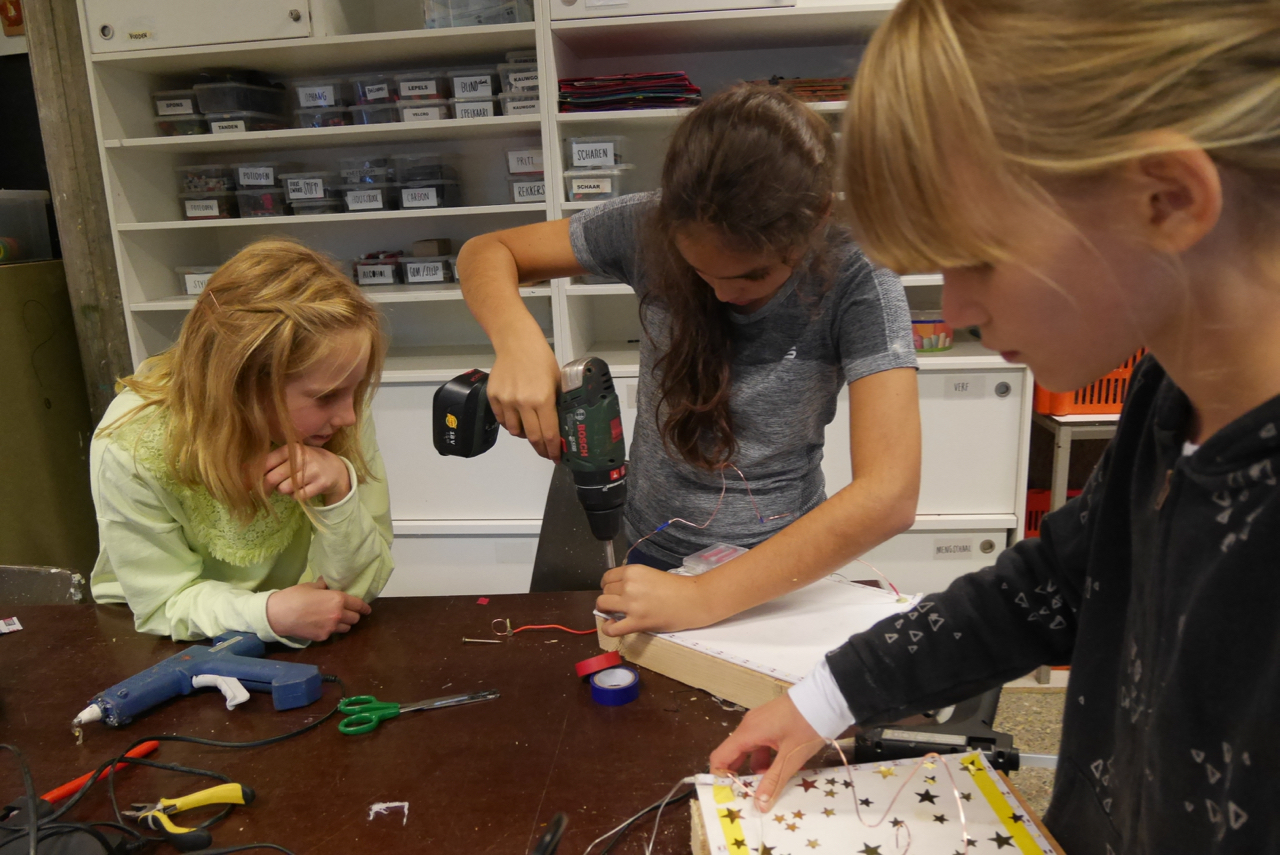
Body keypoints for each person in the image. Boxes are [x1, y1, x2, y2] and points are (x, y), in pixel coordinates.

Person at [711, 1, 1280, 852]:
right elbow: (1052, 585)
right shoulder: (1172, 389)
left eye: (977, 257)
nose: (956, 309)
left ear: (1167, 198)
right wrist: (825, 698)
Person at [458, 84, 921, 635]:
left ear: (819, 217)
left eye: (754, 275)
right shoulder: (645, 224)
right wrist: (519, 341)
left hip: (783, 573)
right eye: (701, 271)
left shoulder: (859, 278)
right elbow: (486, 251)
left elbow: (890, 495)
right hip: (650, 553)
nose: (723, 293)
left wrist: (704, 597)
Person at [90, 238, 395, 645]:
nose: (350, 417)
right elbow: (161, 603)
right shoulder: (131, 442)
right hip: (158, 637)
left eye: (354, 392)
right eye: (325, 397)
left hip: (299, 621)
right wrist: (266, 613)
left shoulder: (335, 414)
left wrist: (341, 490)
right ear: (241, 384)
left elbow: (356, 590)